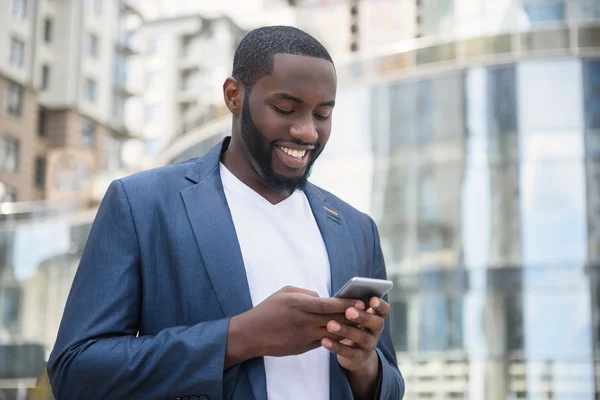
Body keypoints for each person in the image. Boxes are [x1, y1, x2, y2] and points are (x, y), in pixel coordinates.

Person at [47, 26, 404, 400]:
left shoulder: (356, 228)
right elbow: (75, 370)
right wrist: (239, 337)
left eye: (322, 114)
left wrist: (364, 364)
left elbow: (391, 386)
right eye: (285, 109)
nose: (306, 132)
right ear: (234, 95)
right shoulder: (142, 204)